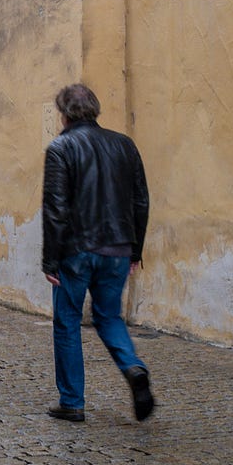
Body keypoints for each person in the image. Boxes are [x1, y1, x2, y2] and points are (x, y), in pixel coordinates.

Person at [41, 83, 154, 423]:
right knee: (108, 317)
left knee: (67, 322)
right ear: (95, 109)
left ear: (63, 113)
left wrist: (50, 259)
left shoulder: (61, 147)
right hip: (117, 248)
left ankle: (72, 402)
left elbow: (55, 208)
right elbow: (141, 201)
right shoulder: (124, 145)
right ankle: (133, 367)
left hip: (76, 250)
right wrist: (135, 250)